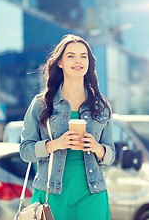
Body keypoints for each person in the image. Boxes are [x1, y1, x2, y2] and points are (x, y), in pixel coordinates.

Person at [20, 34, 115, 220]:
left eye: (83, 56)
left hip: (92, 193)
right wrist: (55, 144)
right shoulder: (41, 103)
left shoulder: (101, 105)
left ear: (89, 62)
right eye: (71, 56)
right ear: (60, 62)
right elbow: (25, 151)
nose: (78, 61)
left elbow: (110, 155)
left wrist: (97, 148)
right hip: (51, 194)